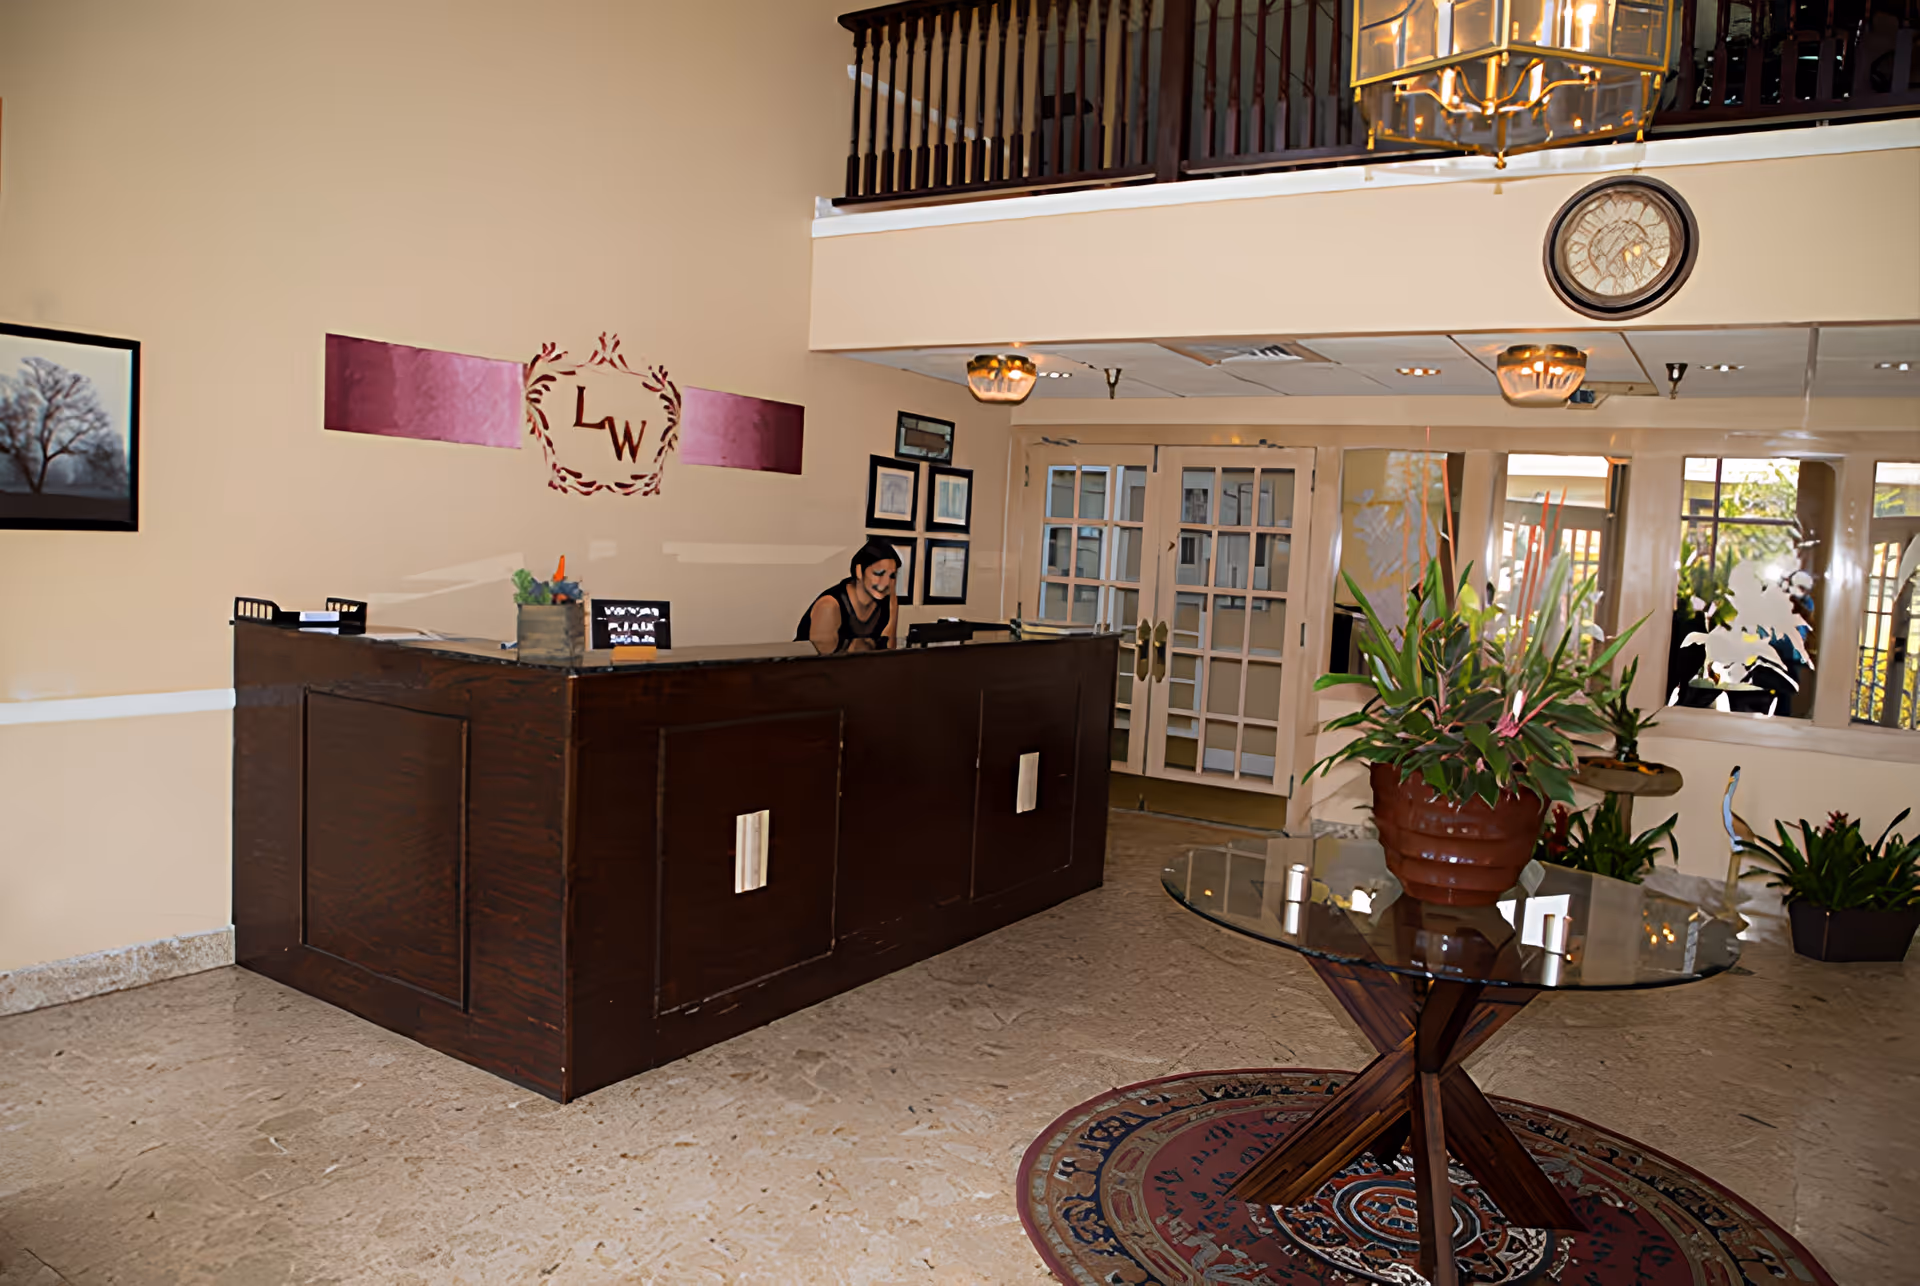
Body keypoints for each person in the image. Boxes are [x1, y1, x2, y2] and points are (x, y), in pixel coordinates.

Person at [796, 539, 899, 654]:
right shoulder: (829, 606)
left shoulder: (888, 601)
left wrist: (893, 608)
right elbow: (823, 663)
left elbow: (889, 653)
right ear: (859, 571)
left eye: (892, 576)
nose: (886, 583)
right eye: (878, 573)